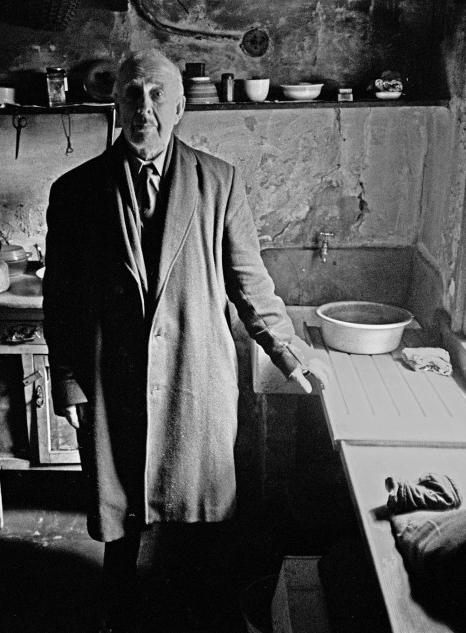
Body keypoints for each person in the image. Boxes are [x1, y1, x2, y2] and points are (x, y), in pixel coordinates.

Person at [42, 49, 327, 632]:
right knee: (120, 509)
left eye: (155, 96)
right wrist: (69, 382)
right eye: (131, 95)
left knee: (203, 512)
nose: (143, 108)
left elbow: (251, 284)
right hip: (112, 375)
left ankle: (206, 608)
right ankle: (120, 607)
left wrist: (291, 356)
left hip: (196, 370)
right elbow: (62, 300)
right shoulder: (75, 191)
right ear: (115, 106)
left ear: (178, 108)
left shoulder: (218, 181)